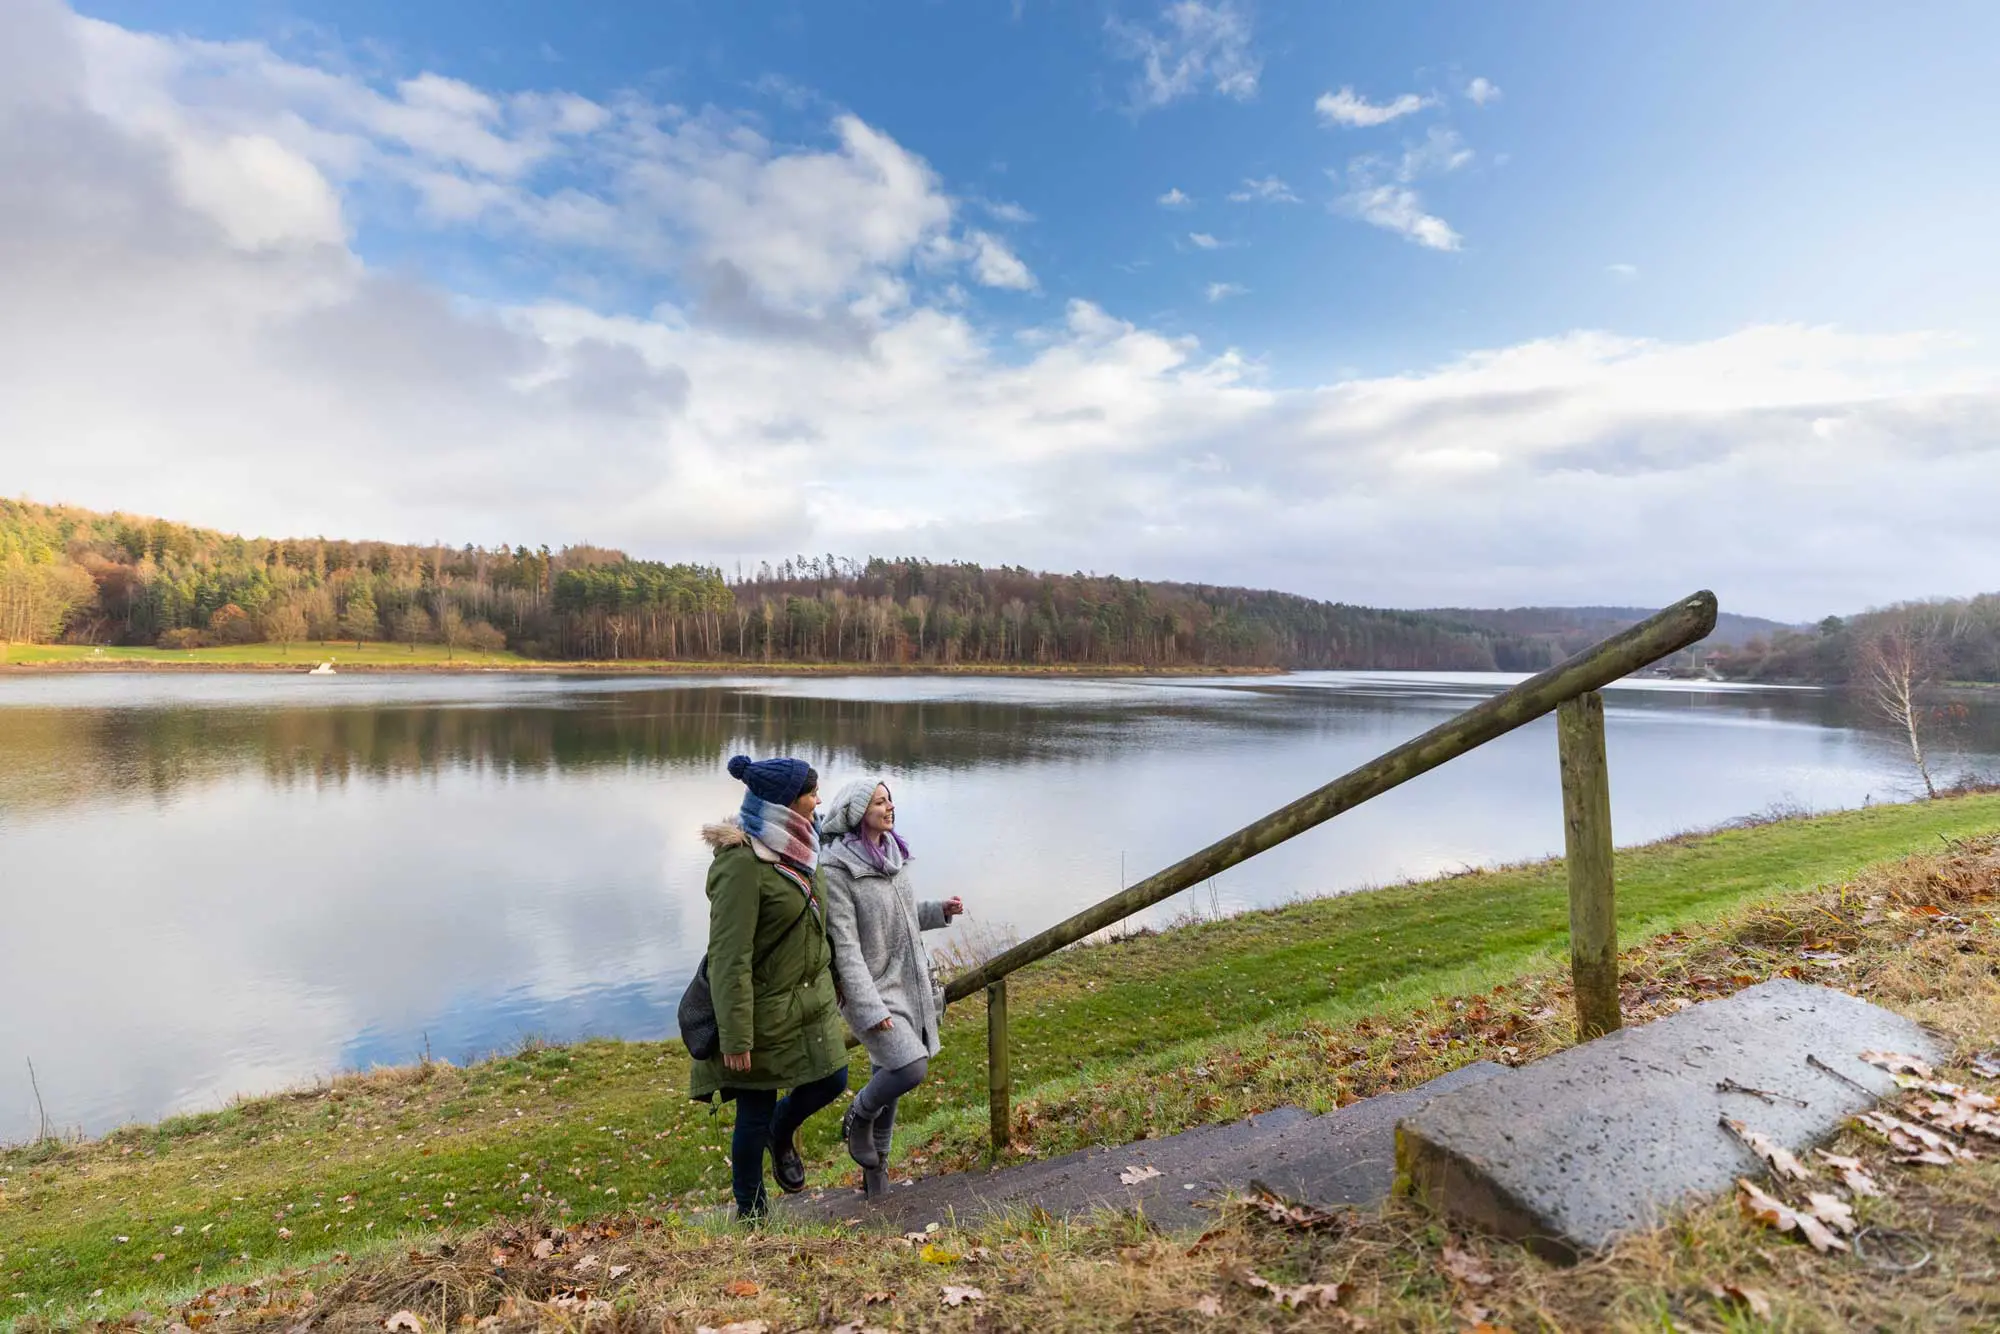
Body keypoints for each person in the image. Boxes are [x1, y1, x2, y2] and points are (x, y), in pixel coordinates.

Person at [688, 753, 849, 1222]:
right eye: (811, 793)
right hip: (758, 1011)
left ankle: (782, 1131)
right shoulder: (742, 864)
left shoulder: (803, 846)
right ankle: (752, 1214)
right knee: (754, 1110)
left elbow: (820, 922)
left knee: (833, 1078)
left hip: (807, 1001)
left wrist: (836, 977)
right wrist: (736, 1036)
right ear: (785, 803)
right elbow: (728, 957)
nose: (818, 800)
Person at [818, 779, 963, 1196]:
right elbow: (846, 948)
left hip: (907, 982)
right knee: (909, 1066)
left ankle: (876, 1178)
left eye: (890, 800)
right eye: (878, 802)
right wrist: (869, 1009)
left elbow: (900, 916)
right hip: (874, 990)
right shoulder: (837, 870)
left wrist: (938, 911)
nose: (889, 807)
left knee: (889, 1074)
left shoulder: (893, 855)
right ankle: (858, 1114)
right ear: (856, 813)